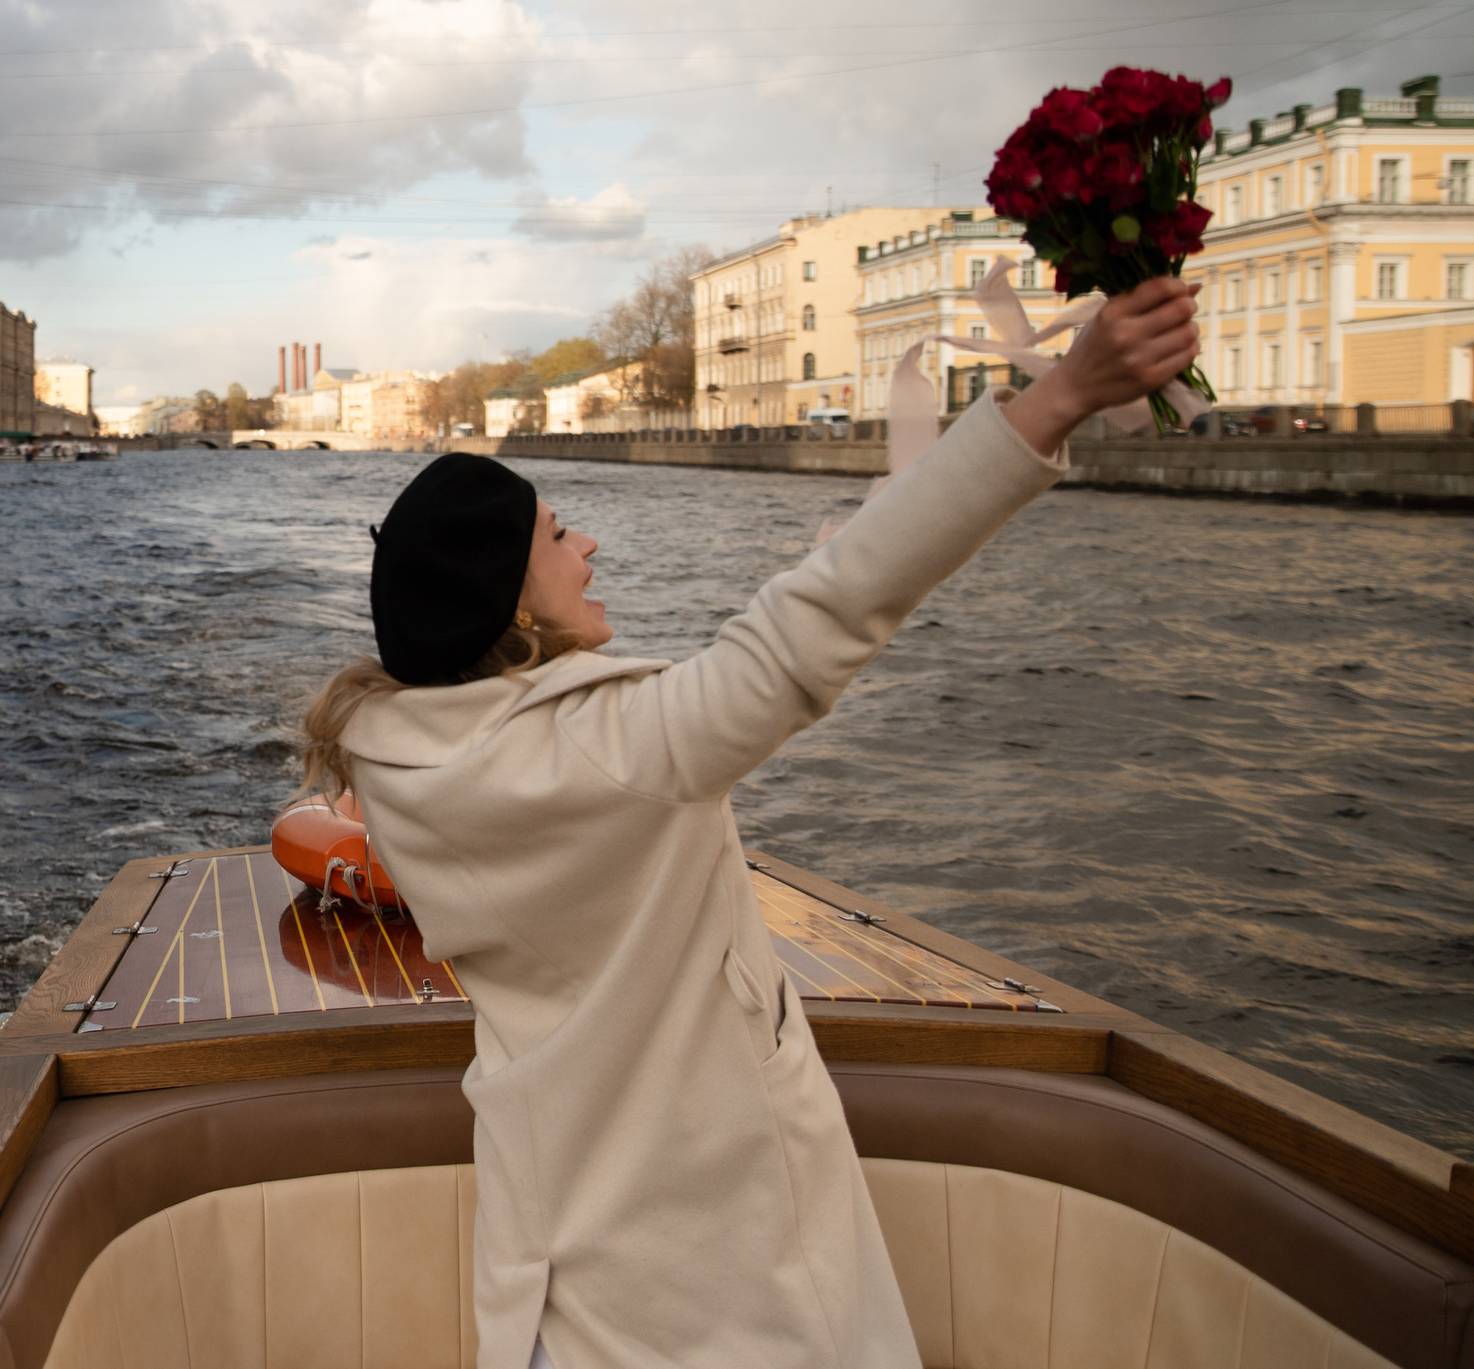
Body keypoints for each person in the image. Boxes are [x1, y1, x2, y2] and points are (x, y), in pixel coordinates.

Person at [301, 279, 1203, 1369]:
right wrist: (1059, 394)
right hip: (716, 1289)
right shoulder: (619, 750)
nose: (589, 545)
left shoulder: (400, 762)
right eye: (555, 533)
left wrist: (854, 537)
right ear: (512, 604)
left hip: (550, 1284)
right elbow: (808, 627)